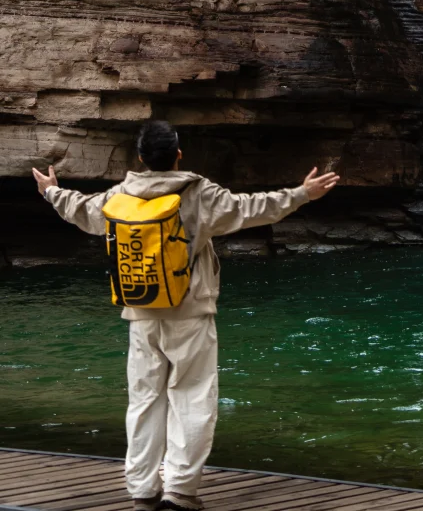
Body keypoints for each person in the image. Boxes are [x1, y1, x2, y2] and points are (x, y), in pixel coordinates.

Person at [32, 119, 339, 511]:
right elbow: (251, 209)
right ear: (178, 154)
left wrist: (52, 191)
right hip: (190, 312)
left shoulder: (121, 194)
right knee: (192, 398)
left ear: (140, 158)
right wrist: (302, 194)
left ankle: (142, 489)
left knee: (144, 402)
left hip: (141, 313)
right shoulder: (198, 192)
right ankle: (179, 490)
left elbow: (81, 210)